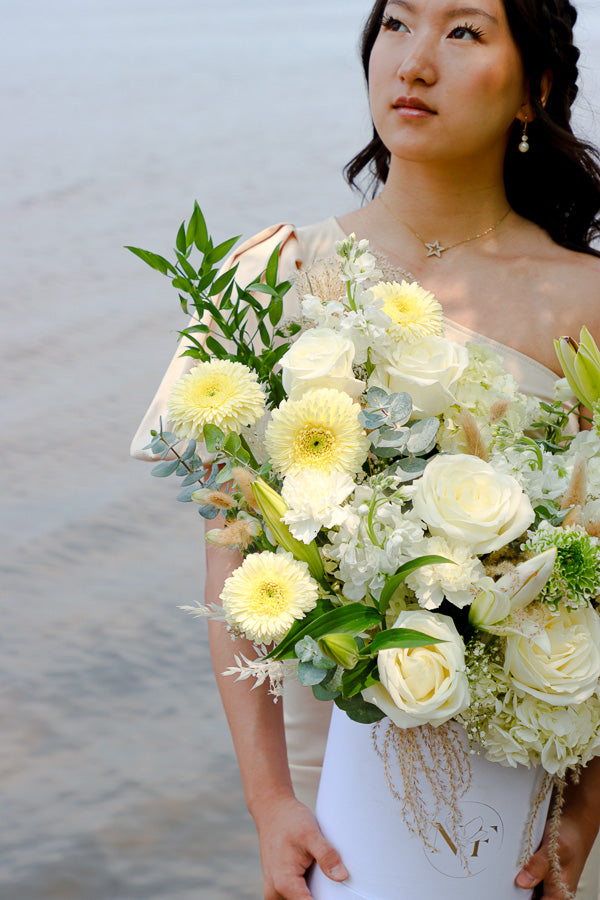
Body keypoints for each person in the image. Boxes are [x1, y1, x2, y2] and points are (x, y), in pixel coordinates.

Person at [131, 1, 600, 897]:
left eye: (463, 31)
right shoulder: (271, 274)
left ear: (533, 90)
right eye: (397, 25)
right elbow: (233, 564)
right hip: (323, 799)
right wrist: (268, 803)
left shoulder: (587, 304)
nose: (414, 62)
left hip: (520, 808)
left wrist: (580, 819)